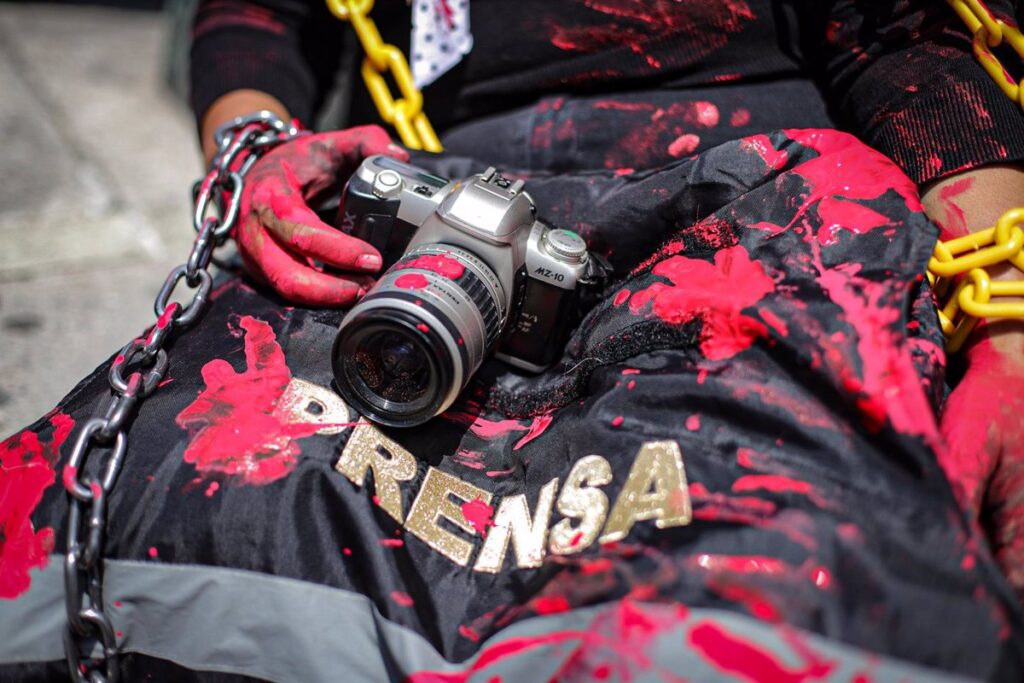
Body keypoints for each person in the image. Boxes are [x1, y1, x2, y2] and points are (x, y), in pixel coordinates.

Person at [1, 1, 1023, 681]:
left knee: (793, 568)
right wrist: (257, 152)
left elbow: (910, 43)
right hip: (443, 214)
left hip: (751, 206)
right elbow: (259, 15)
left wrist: (1006, 322)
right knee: (146, 498)